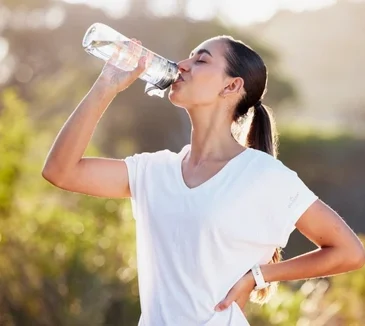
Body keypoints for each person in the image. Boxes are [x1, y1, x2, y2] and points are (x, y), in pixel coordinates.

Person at [42, 35, 365, 326]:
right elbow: (60, 171)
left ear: (231, 86)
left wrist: (260, 275)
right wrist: (105, 85)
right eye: (188, 57)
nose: (182, 66)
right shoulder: (154, 171)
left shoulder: (263, 175)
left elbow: (349, 251)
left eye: (201, 60)